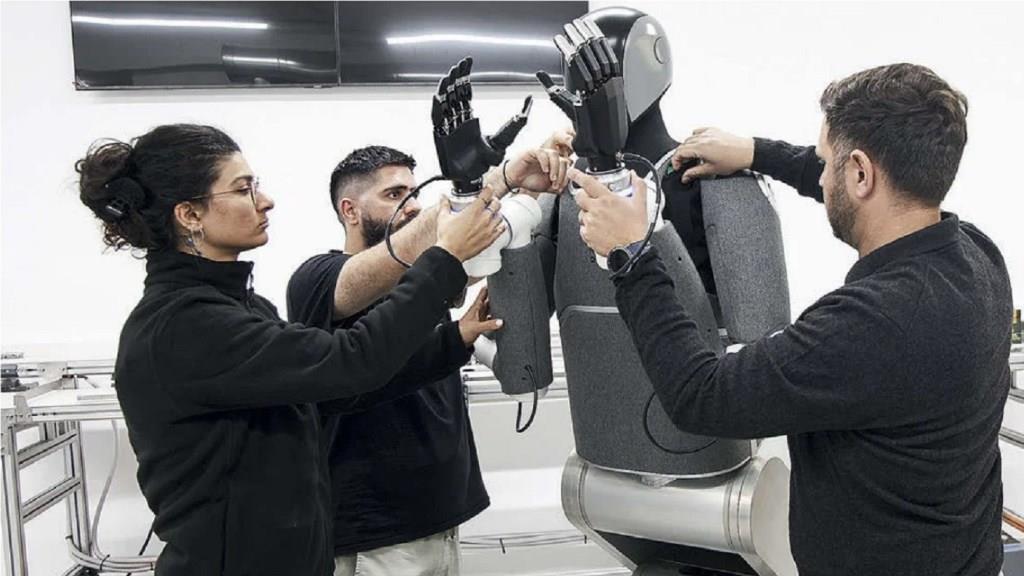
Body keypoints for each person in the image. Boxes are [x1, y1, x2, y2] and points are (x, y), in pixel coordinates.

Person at [571, 63, 1011, 575]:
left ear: (861, 173)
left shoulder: (869, 324)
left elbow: (701, 397)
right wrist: (756, 152)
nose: (819, 176)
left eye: (825, 162)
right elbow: (860, 185)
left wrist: (632, 254)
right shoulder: (977, 256)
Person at [76, 123, 505, 576]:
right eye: (243, 189)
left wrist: (453, 340)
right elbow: (352, 360)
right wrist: (444, 259)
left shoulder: (239, 308)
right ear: (189, 215)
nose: (265, 201)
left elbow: (333, 392)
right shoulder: (182, 325)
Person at [286, 139, 572, 576]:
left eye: (414, 193)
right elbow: (424, 246)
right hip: (375, 537)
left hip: (438, 522)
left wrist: (531, 189)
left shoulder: (428, 280)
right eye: (394, 194)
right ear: (350, 210)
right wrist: (503, 176)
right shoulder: (318, 280)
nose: (413, 205)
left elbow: (488, 237)